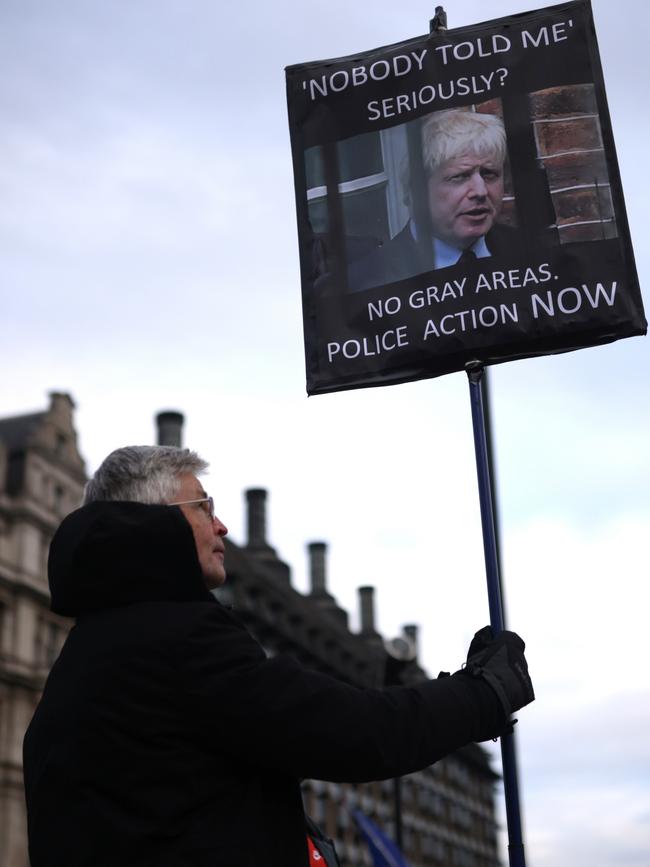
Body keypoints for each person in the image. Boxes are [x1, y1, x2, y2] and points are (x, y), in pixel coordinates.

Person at [23, 445, 534, 867]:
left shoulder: (82, 658)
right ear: (154, 521)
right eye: (204, 507)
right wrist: (484, 692)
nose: (222, 526)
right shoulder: (175, 640)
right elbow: (355, 733)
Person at [348, 109, 519, 292]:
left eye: (489, 174)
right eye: (460, 177)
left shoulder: (527, 251)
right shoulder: (366, 283)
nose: (480, 191)